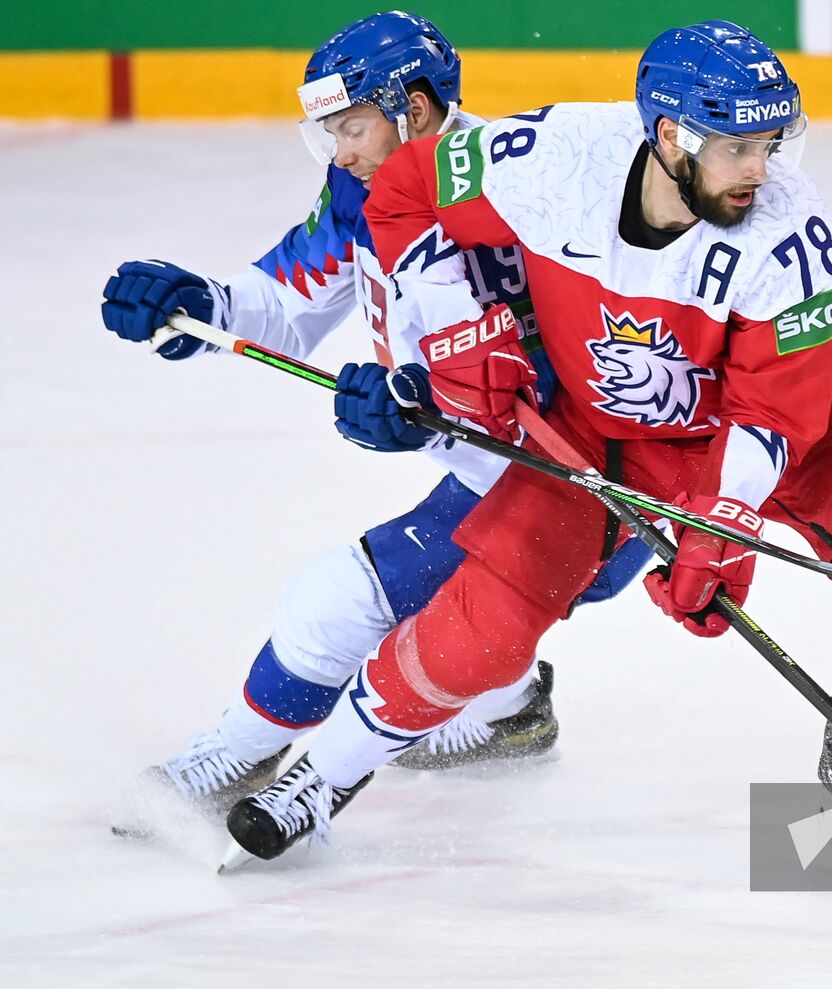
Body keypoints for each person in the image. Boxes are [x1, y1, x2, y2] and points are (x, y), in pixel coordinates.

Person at [223, 19, 832, 861]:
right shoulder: (550, 159)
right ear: (672, 135)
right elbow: (402, 190)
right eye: (740, 148)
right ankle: (322, 774)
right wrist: (469, 329)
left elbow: (775, 410)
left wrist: (723, 523)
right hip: (606, 431)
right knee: (480, 626)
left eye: (771, 142)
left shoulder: (788, 230)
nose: (765, 169)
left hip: (760, 419)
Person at [98, 10, 652, 828]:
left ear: (416, 110)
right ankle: (509, 712)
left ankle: (237, 753)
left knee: (334, 604)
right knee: (459, 601)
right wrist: (203, 308)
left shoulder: (521, 198)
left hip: (588, 484)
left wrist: (425, 417)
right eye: (329, 133)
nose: (341, 151)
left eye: (352, 127)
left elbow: (584, 384)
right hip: (497, 464)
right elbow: (289, 296)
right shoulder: (364, 188)